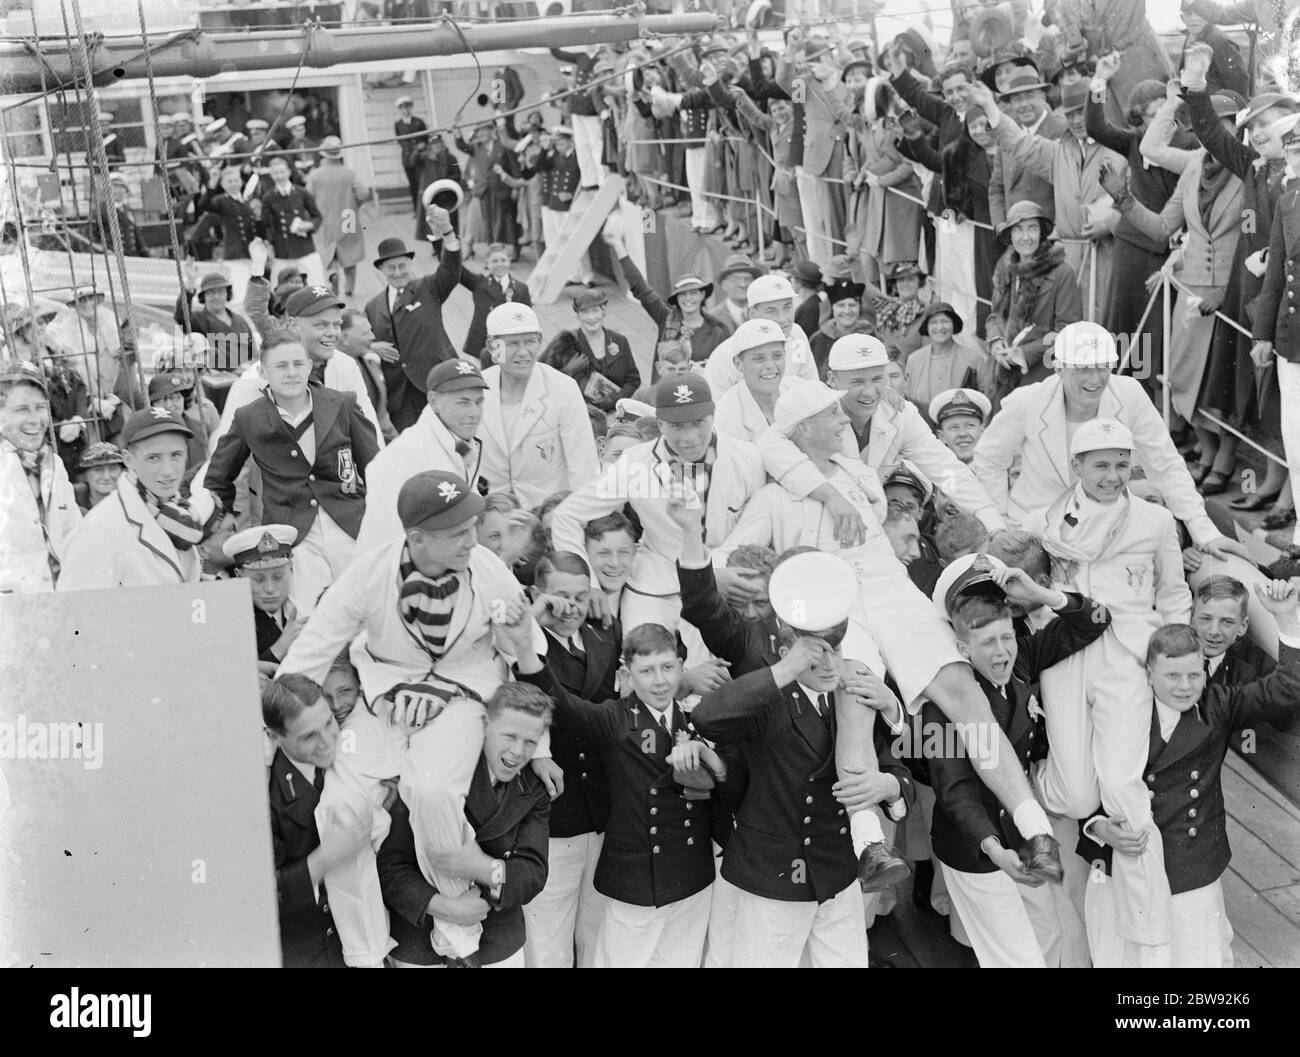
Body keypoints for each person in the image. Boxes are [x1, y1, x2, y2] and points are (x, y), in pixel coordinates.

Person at [716, 381, 1066, 881]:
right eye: (831, 416)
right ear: (802, 428)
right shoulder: (773, 495)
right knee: (855, 703)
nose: (843, 422)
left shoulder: (857, 470)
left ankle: (1037, 831)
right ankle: (871, 845)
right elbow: (729, 550)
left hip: (890, 588)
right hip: (835, 603)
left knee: (967, 698)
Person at [277, 470, 542, 967]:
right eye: (455, 532)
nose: (472, 539)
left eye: (471, 526)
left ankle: (454, 921)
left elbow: (529, 651)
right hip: (388, 700)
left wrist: (540, 745)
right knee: (341, 807)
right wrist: (272, 727)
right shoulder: (370, 572)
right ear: (416, 537)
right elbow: (311, 653)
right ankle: (364, 951)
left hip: (464, 695)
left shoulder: (487, 570)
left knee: (434, 789)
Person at [689, 551, 918, 967]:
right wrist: (785, 671)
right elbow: (707, 716)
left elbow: (900, 770)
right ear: (788, 649)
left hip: (839, 872)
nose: (831, 663)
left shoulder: (852, 692)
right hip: (775, 877)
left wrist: (889, 787)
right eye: (817, 653)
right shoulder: (767, 693)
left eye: (836, 649)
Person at [1020, 417, 1190, 960]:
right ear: (1076, 467)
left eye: (1122, 464)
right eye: (1101, 465)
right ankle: (1027, 774)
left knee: (1121, 784)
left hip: (1128, 659)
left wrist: (1178, 662)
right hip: (1066, 656)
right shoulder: (1043, 521)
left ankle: (1147, 933)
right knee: (1074, 795)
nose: (1113, 476)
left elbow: (1175, 594)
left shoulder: (1156, 521)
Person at [1078, 581, 1300, 967]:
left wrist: (1285, 617)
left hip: (1189, 863)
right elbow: (1082, 776)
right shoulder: (1116, 709)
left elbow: (1288, 687)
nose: (1185, 687)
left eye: (1194, 676)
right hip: (1122, 859)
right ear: (1148, 674)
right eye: (1172, 676)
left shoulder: (1218, 704)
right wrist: (1097, 826)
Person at [923, 554, 1111, 968]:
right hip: (976, 850)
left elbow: (1095, 620)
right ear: (961, 648)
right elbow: (956, 793)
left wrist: (1043, 594)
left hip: (1022, 841)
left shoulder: (1021, 657)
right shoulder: (942, 706)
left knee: (1047, 937)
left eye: (1007, 638)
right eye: (988, 644)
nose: (1003, 652)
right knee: (1014, 958)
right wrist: (995, 851)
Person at [509, 619, 730, 968]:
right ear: (629, 674)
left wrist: (705, 755)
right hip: (638, 878)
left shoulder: (694, 721)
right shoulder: (615, 718)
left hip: (691, 873)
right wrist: (524, 649)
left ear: (681, 667)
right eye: (647, 671)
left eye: (668, 668)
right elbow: (561, 704)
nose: (660, 681)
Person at [550, 374, 767, 653]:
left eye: (698, 422)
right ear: (660, 423)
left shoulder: (747, 457)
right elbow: (567, 516)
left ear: (713, 415)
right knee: (639, 661)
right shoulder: (634, 463)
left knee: (725, 675)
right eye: (676, 425)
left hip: (728, 585)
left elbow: (754, 529)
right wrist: (588, 583)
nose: (688, 436)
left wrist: (713, 575)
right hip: (658, 584)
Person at [1099, 89, 1246, 492]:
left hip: (1228, 294)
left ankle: (1226, 458)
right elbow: (1164, 227)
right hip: (1191, 290)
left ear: (1238, 126)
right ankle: (1205, 447)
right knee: (1182, 378)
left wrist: (1227, 290)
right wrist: (1124, 200)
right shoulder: (1194, 165)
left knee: (1222, 384)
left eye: (1224, 123)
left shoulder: (1248, 169)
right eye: (1205, 124)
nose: (1214, 131)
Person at [759, 334, 1007, 540]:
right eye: (857, 381)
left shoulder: (900, 414)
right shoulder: (814, 410)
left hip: (873, 528)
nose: (870, 392)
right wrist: (830, 495)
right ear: (832, 379)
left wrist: (994, 526)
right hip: (819, 524)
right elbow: (770, 446)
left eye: (877, 379)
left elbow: (947, 471)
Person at [377, 683, 553, 969]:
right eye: (509, 736)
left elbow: (533, 872)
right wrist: (444, 907)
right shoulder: (429, 771)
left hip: (497, 942)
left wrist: (482, 869)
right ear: (485, 725)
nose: (518, 751)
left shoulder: (533, 786)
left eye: (530, 742)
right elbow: (390, 865)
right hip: (421, 942)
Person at [204, 331, 380, 614]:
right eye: (281, 366)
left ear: (310, 366)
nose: (291, 373)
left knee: (367, 610)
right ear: (263, 371)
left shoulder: (343, 403)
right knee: (310, 619)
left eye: (298, 364)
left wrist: (378, 521)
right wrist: (224, 523)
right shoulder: (248, 417)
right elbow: (218, 477)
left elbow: (375, 468)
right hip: (293, 537)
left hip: (351, 527)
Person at [508, 550, 618, 968]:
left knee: (596, 932)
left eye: (580, 596)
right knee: (548, 938)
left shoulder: (605, 634)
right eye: (559, 596)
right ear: (537, 594)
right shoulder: (522, 647)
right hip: (552, 815)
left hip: (602, 811)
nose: (571, 608)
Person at [58, 408, 217, 591]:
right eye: (153, 458)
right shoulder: (99, 529)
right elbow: (75, 613)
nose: (168, 470)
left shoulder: (180, 514)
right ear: (129, 460)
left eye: (176, 455)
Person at [215, 285, 383, 447]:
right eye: (321, 325)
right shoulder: (255, 380)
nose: (332, 333)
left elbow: (370, 434)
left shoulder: (346, 366)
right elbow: (222, 454)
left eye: (336, 325)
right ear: (294, 325)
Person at [264, 674, 356, 968]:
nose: (327, 741)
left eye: (328, 723)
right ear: (274, 736)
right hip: (311, 954)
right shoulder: (265, 797)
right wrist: (325, 859)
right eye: (308, 736)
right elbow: (262, 895)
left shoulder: (356, 758)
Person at [356, 357, 487, 553]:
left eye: (479, 402)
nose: (474, 413)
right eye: (463, 403)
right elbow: (382, 539)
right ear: (434, 401)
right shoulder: (401, 457)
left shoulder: (460, 441)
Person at [478, 303, 599, 510]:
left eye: (530, 342)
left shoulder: (563, 389)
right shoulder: (474, 390)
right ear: (491, 347)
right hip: (491, 516)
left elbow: (583, 465)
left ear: (540, 341)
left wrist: (580, 519)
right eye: (513, 344)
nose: (523, 352)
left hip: (548, 515)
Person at [982, 198, 1083, 410]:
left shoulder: (1062, 273)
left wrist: (1024, 353)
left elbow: (1067, 332)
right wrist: (996, 341)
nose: (1025, 237)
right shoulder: (1006, 269)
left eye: (1032, 229)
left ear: (1041, 233)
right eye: (1018, 230)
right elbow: (995, 315)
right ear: (1010, 235)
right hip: (1003, 375)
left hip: (1042, 376)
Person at [363, 226, 462, 434]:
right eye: (391, 267)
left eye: (402, 266)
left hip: (435, 383)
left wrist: (449, 236)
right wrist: (373, 347)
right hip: (400, 394)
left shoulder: (429, 287)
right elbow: (362, 339)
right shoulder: (373, 306)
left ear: (410, 264)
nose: (398, 272)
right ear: (382, 269)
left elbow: (451, 270)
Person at [603, 228, 732, 376]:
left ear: (703, 295)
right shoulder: (665, 319)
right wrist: (618, 246)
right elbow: (640, 288)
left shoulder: (717, 331)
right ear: (676, 299)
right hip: (666, 393)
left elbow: (725, 369)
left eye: (693, 293)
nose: (688, 299)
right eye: (683, 294)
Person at [0, 361, 81, 593]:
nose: (35, 419)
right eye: (22, 409)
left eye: (40, 407)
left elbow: (73, 532)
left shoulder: (54, 464)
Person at [704, 274, 819, 396]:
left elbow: (809, 383)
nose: (783, 318)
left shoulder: (796, 336)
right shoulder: (727, 354)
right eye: (771, 311)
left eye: (787, 307)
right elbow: (716, 407)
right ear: (753, 314)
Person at [222, 524, 305, 672]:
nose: (270, 589)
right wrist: (280, 648)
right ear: (239, 575)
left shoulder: (303, 604)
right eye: (259, 580)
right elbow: (235, 674)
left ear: (291, 568)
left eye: (278, 577)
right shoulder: (232, 619)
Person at [545, 289, 639, 413]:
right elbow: (543, 380)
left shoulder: (619, 341)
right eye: (584, 312)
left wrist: (614, 400)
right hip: (577, 414)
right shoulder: (565, 343)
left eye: (595, 310)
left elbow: (633, 380)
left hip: (614, 414)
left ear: (604, 311)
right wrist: (569, 370)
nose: (591, 317)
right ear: (577, 315)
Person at [713, 318, 797, 443]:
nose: (770, 365)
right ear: (738, 363)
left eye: (777, 356)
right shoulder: (725, 417)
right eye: (759, 358)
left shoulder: (799, 391)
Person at [307, 137, 371, 298]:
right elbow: (364, 193)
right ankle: (349, 286)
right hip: (347, 216)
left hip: (324, 218)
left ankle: (332, 275)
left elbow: (307, 196)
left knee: (329, 251)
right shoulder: (348, 173)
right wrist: (356, 204)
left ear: (324, 155)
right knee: (349, 250)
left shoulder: (316, 175)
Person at [905, 302, 984, 417]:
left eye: (945, 321)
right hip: (922, 425)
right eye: (934, 322)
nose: (939, 327)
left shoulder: (973, 357)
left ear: (954, 325)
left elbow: (986, 392)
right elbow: (908, 398)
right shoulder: (914, 359)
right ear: (926, 326)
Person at [460, 243, 531, 366]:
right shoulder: (479, 283)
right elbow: (454, 269)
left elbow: (528, 321)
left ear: (509, 261)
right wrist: (443, 242)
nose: (499, 264)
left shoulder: (521, 288)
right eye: (495, 261)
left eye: (503, 260)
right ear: (487, 263)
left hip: (510, 346)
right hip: (481, 345)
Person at [260, 155, 326, 287]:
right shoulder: (268, 197)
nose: (279, 176)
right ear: (271, 175)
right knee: (279, 286)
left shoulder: (301, 192)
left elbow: (317, 216)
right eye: (276, 173)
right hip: (282, 249)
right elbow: (265, 225)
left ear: (289, 172)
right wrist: (269, 244)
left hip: (304, 246)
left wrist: (309, 225)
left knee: (316, 283)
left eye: (282, 172)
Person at [929, 387, 992, 465]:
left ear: (982, 431)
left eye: (970, 425)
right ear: (942, 436)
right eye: (954, 428)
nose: (962, 434)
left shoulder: (999, 469)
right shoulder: (930, 473)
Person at [395, 96, 429, 213]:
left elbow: (425, 139)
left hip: (419, 158)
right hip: (407, 159)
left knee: (422, 183)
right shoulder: (398, 124)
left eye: (407, 107)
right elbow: (400, 141)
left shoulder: (419, 122)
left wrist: (421, 146)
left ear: (411, 107)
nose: (405, 110)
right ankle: (417, 210)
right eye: (402, 108)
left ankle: (425, 208)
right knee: (413, 185)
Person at [74, 441, 124, 513]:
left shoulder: (134, 501)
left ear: (122, 472)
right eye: (98, 470)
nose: (106, 477)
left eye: (112, 469)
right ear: (85, 475)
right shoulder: (71, 501)